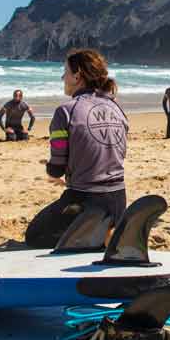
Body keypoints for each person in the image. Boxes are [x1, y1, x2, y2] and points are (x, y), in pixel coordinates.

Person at [25, 49, 129, 248]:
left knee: (35, 235)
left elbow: (57, 167)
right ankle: (107, 231)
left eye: (65, 71)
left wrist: (52, 170)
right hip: (118, 201)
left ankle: (93, 238)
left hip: (86, 202)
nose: (62, 76)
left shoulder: (65, 111)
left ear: (77, 75)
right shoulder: (117, 108)